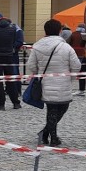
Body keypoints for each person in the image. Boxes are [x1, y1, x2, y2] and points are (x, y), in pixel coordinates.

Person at [27, 19, 81, 147]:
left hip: (46, 82)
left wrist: (39, 74)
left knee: (51, 109)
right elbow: (76, 65)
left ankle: (46, 133)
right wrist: (70, 77)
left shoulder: (37, 46)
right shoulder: (66, 47)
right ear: (60, 31)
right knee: (61, 108)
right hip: (63, 83)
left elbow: (31, 65)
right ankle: (53, 137)